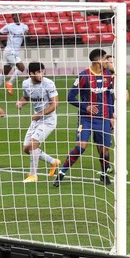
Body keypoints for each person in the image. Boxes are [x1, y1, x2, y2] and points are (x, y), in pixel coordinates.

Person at [54, 49, 114, 187]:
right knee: (81, 147)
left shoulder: (108, 76)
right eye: (105, 59)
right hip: (86, 119)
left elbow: (109, 98)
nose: (107, 62)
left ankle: (104, 175)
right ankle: (62, 173)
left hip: (103, 118)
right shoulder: (84, 76)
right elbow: (70, 97)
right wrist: (85, 106)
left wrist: (112, 116)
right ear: (98, 60)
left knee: (104, 149)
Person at [15, 62, 60, 183]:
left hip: (48, 120)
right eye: (39, 72)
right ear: (31, 73)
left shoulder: (48, 83)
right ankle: (53, 161)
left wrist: (40, 115)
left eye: (42, 72)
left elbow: (55, 104)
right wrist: (20, 103)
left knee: (33, 144)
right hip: (36, 120)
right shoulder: (26, 84)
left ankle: (33, 175)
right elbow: (26, 98)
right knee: (26, 149)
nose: (41, 75)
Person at [0, 13, 28, 98]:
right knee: (21, 68)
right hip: (9, 51)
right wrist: (0, 43)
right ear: (12, 17)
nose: (16, 17)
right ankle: (9, 83)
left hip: (16, 52)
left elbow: (28, 34)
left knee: (5, 72)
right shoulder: (9, 26)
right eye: (14, 15)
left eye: (17, 15)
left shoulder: (25, 27)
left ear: (20, 16)